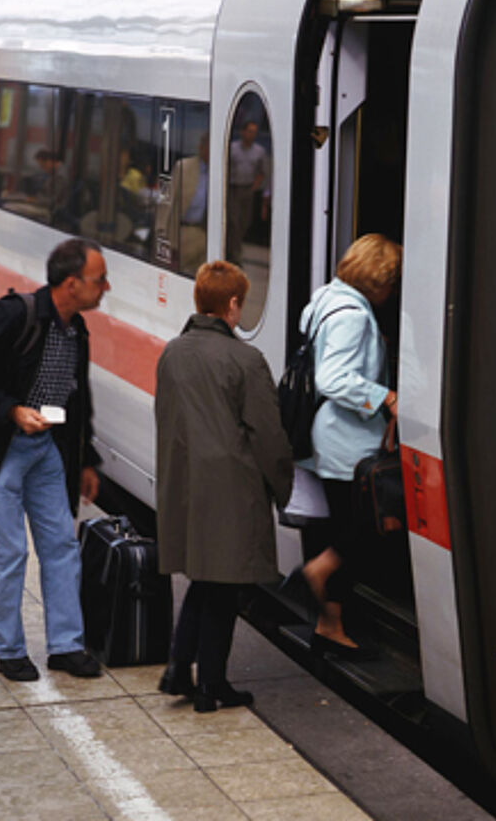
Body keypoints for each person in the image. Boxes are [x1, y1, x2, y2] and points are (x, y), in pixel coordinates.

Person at [0, 238, 109, 682]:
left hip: (48, 450)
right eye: (99, 279)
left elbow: (79, 395)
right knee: (8, 552)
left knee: (61, 546)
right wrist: (12, 410)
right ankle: (9, 650)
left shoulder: (77, 328)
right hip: (4, 451)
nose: (106, 288)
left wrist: (86, 457)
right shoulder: (15, 315)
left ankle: (66, 645)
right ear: (72, 284)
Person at [155, 260, 293, 712]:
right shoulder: (246, 360)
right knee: (225, 587)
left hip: (187, 484)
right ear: (233, 305)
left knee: (206, 578)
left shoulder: (172, 352)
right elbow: (269, 437)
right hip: (233, 489)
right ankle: (212, 686)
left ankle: (179, 669)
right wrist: (284, 487)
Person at [295, 234, 402, 658]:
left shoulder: (327, 297)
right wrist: (386, 397)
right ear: (379, 281)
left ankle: (330, 624)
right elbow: (334, 377)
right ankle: (321, 575)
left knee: (340, 525)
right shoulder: (354, 316)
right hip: (345, 438)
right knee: (363, 529)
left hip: (327, 432)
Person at [154, 133, 209, 275]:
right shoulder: (184, 167)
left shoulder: (218, 172)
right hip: (180, 232)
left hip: (202, 234)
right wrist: (161, 231)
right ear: (201, 147)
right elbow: (167, 200)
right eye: (208, 146)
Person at [226, 121, 268, 266]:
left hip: (248, 189)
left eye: (254, 132)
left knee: (245, 222)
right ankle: (235, 256)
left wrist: (254, 187)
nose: (252, 135)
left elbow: (262, 172)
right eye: (249, 131)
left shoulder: (259, 151)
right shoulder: (232, 148)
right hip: (233, 188)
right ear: (243, 132)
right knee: (234, 222)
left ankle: (231, 248)